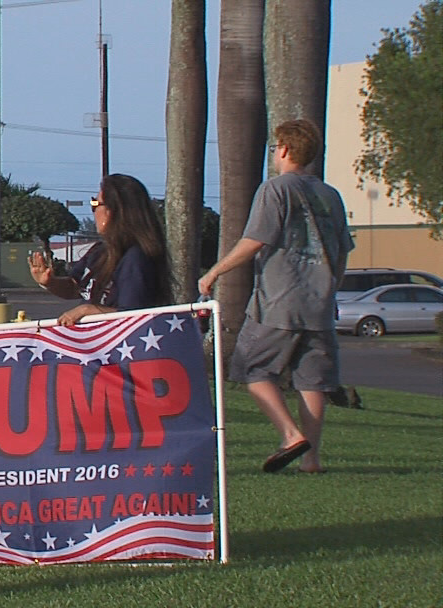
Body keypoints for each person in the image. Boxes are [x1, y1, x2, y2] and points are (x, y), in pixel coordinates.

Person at [199, 118, 354, 474]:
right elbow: (342, 251)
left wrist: (215, 271)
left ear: (283, 149)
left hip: (278, 301)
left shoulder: (275, 189)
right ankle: (311, 460)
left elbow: (256, 240)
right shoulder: (330, 195)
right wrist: (330, 289)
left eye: (274, 148)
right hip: (319, 305)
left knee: (250, 368)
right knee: (312, 380)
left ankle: (289, 435)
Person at [28, 173, 172, 326]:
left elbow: (133, 315)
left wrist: (88, 310)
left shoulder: (136, 258)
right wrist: (50, 282)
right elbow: (74, 287)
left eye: (96, 204)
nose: (94, 211)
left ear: (114, 210)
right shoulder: (99, 251)